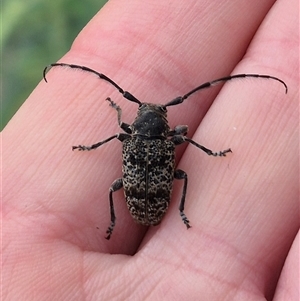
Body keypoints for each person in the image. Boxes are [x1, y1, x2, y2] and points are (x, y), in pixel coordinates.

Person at [2, 0, 298, 300]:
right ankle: (177, 203)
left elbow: (121, 130)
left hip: (145, 204)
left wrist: (113, 117)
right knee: (181, 173)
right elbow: (182, 141)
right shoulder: (170, 140)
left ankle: (121, 220)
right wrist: (210, 153)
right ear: (163, 123)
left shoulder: (128, 137)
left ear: (138, 122)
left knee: (113, 187)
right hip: (152, 205)